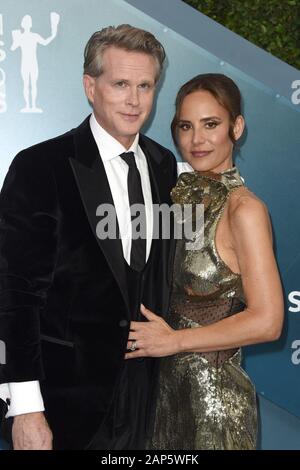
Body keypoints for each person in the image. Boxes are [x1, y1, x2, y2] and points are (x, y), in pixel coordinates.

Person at [0, 24, 177, 450]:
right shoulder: (41, 165)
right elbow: (14, 292)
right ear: (89, 86)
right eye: (120, 84)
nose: (134, 100)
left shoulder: (163, 165)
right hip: (63, 402)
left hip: (145, 398)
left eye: (144, 85)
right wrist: (26, 409)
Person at [125, 73, 284, 450]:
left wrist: (175, 341)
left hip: (214, 408)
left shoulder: (244, 210)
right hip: (157, 399)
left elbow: (268, 321)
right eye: (185, 126)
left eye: (211, 124)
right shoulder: (176, 198)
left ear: (236, 127)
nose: (197, 140)